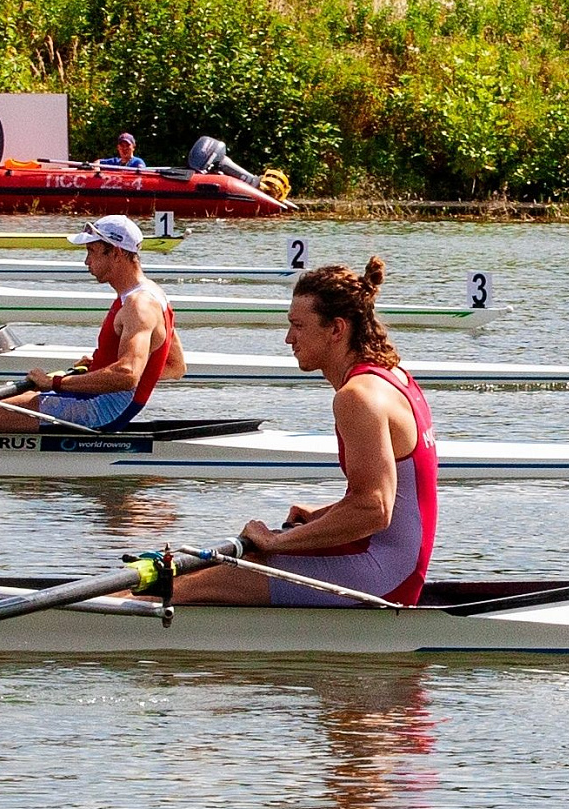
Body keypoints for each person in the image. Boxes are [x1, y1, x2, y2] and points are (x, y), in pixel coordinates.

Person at [171, 257, 438, 607]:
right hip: (391, 562)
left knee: (178, 586)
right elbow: (393, 498)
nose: (288, 338)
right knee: (216, 567)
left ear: (336, 329)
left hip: (383, 576)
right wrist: (322, 516)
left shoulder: (357, 396)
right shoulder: (395, 377)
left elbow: (374, 509)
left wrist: (276, 542)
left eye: (298, 326)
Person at [0, 215, 183, 433]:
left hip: (99, 410)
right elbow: (175, 366)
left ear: (116, 252)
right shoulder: (155, 294)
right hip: (103, 402)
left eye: (91, 251)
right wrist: (100, 371)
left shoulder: (138, 305)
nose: (86, 261)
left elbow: (127, 374)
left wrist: (55, 383)